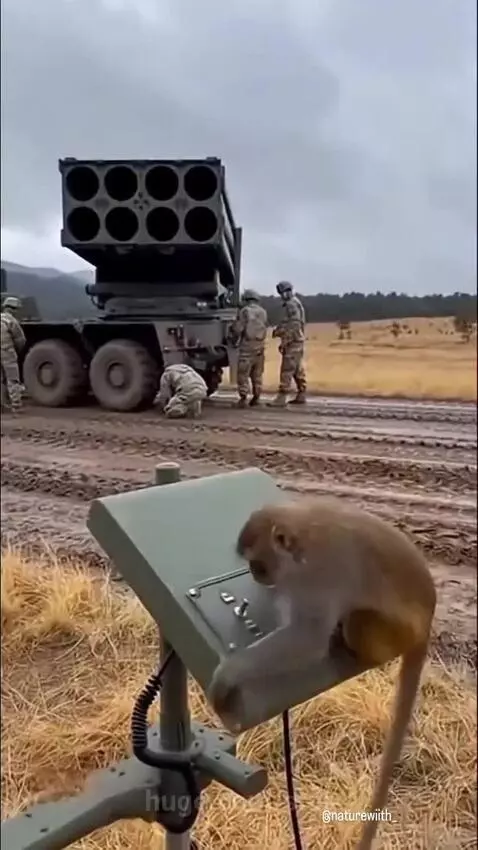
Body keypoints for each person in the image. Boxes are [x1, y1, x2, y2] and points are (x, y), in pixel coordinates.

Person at [270, 280, 307, 407]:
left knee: (287, 369)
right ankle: (301, 393)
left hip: (293, 341)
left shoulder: (291, 304)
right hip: (298, 340)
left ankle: (282, 397)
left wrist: (285, 341)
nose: (282, 295)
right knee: (297, 369)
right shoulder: (294, 303)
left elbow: (294, 324)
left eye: (283, 292)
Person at [230, 289, 268, 408]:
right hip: (260, 346)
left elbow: (239, 329)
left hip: (247, 347)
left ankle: (243, 398)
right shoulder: (263, 312)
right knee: (257, 374)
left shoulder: (245, 311)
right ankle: (257, 397)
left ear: (246, 299)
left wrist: (232, 334)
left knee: (243, 374)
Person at [1, 296, 26, 413]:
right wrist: (16, 351)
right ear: (14, 309)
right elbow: (20, 340)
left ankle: (3, 404)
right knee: (13, 379)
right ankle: (16, 405)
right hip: (7, 352)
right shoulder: (12, 321)